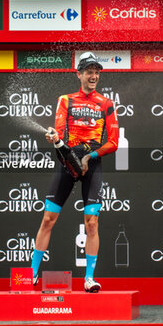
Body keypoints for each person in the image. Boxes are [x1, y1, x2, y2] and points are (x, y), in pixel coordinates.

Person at [31, 52, 119, 292]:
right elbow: (58, 132)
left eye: (96, 72)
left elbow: (113, 142)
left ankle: (89, 279)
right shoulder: (65, 100)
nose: (93, 76)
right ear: (79, 74)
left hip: (92, 164)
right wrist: (54, 137)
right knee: (48, 220)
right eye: (89, 71)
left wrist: (90, 157)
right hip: (67, 163)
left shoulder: (106, 104)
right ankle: (31, 276)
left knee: (92, 224)